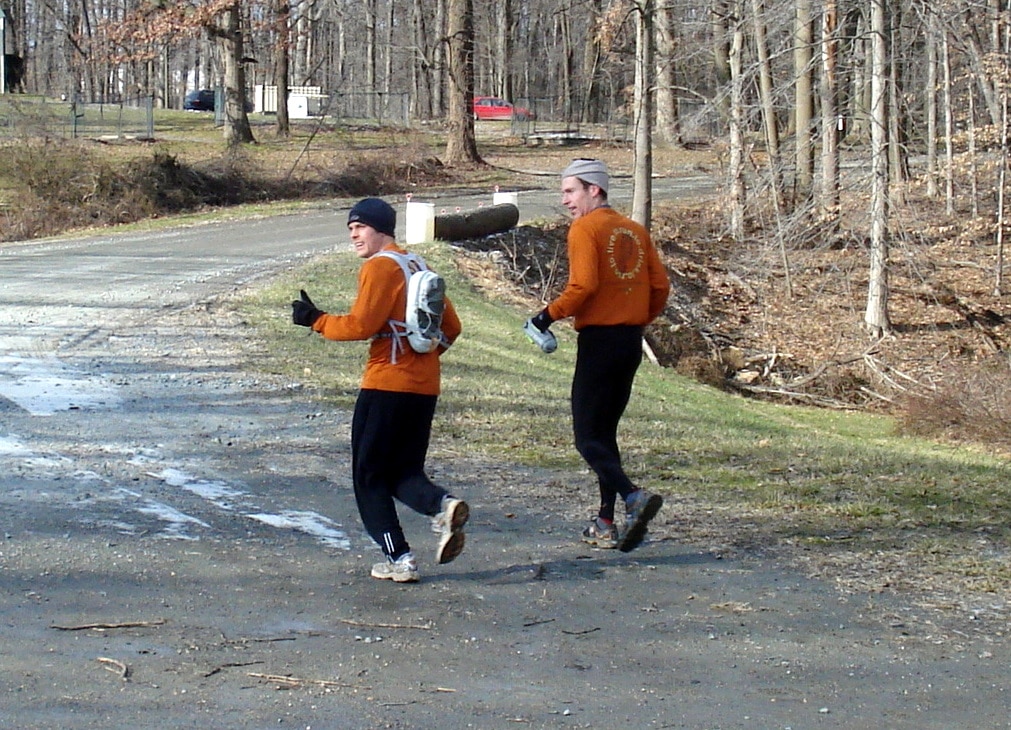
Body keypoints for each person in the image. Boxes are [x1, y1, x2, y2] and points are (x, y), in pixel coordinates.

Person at [291, 197, 467, 583]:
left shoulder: (380, 267)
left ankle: (400, 558)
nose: (354, 233)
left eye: (361, 227)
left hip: (385, 384)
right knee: (403, 470)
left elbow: (361, 325)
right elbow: (451, 327)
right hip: (424, 388)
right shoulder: (419, 264)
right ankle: (443, 506)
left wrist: (315, 320)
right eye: (350, 228)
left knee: (368, 475)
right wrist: (423, 355)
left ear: (381, 229)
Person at [524, 159, 670, 552]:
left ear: (595, 189)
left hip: (600, 344)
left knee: (586, 437)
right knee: (604, 435)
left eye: (570, 191)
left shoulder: (586, 228)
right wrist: (636, 317)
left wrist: (544, 317)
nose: (565, 200)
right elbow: (660, 286)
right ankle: (605, 523)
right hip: (629, 343)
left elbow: (582, 286)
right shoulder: (634, 230)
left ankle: (633, 497)